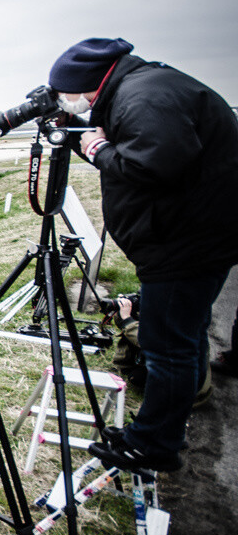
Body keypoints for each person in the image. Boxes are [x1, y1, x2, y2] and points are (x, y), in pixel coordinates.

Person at [42, 38, 238, 473]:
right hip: (196, 237)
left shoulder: (142, 98)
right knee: (183, 335)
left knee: (168, 345)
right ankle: (161, 430)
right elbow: (137, 152)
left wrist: (95, 148)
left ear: (85, 85)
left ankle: (153, 443)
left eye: (64, 93)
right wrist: (81, 140)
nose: (64, 101)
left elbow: (154, 165)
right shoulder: (144, 89)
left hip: (185, 244)